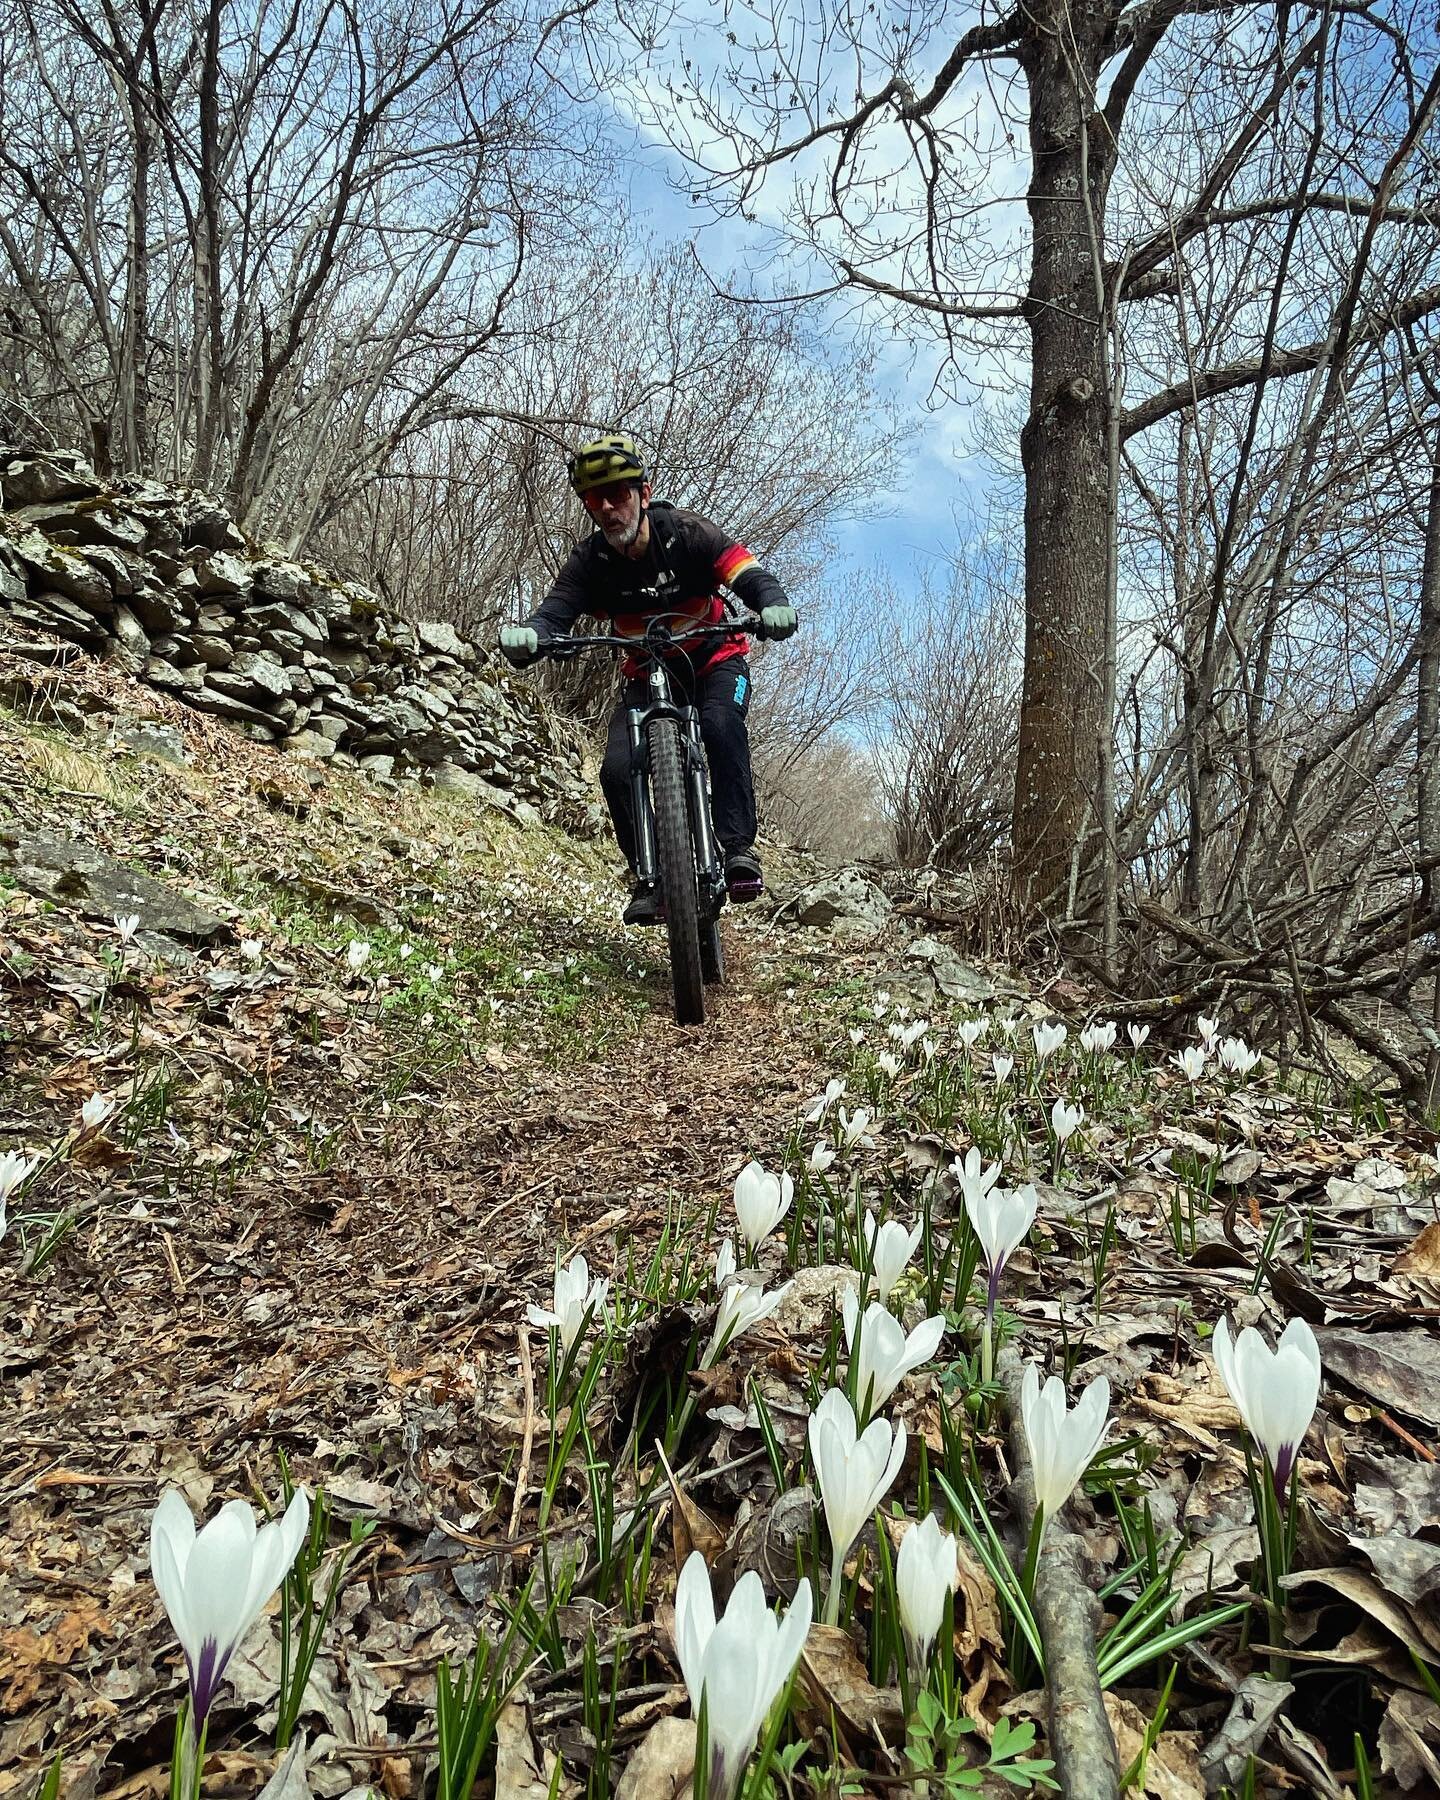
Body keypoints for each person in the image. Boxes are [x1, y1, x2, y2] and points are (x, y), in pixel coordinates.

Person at [498, 433, 798, 925]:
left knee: (721, 725)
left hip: (714, 661)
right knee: (617, 769)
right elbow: (556, 611)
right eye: (597, 499)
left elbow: (746, 569)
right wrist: (532, 634)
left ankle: (739, 849)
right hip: (646, 672)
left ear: (643, 491)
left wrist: (770, 603)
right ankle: (651, 876)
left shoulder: (685, 532)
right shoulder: (591, 561)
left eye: (619, 494)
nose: (610, 507)